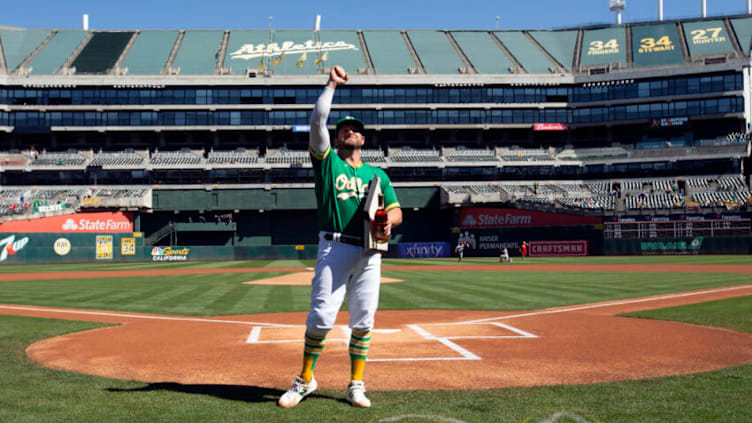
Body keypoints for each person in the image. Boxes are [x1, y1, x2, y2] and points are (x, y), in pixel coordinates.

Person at [278, 65, 402, 409]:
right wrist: (331, 85)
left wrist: (388, 222)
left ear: (364, 139)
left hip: (369, 252)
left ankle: (356, 384)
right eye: (345, 129)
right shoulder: (327, 162)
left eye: (356, 130)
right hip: (333, 246)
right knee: (320, 317)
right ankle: (305, 380)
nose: (351, 132)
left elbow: (396, 210)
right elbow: (318, 121)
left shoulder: (378, 174)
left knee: (364, 320)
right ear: (337, 138)